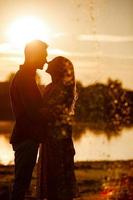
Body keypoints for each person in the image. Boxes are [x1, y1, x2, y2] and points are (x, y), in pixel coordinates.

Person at [10, 40, 48, 200]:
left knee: (22, 183)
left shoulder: (27, 76)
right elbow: (33, 112)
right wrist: (54, 111)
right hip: (26, 138)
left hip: (27, 137)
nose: (46, 60)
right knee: (21, 183)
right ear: (34, 55)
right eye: (43, 55)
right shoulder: (25, 78)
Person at [38, 56, 78, 200]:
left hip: (59, 139)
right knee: (50, 176)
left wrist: (32, 109)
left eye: (52, 62)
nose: (48, 62)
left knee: (58, 177)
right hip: (49, 138)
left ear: (58, 69)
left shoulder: (62, 88)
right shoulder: (51, 87)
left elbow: (52, 112)